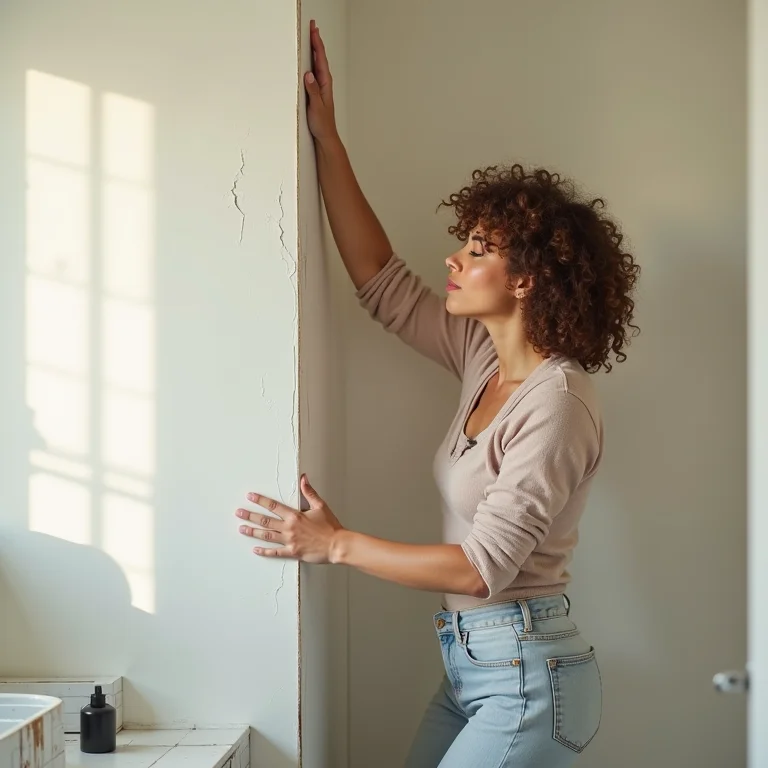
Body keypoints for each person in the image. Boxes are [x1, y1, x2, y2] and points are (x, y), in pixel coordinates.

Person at [235, 19, 640, 767]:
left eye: (477, 250)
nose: (453, 258)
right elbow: (379, 281)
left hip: (526, 675)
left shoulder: (558, 403)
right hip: (473, 666)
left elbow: (481, 567)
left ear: (526, 280)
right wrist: (328, 140)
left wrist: (335, 544)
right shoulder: (483, 357)